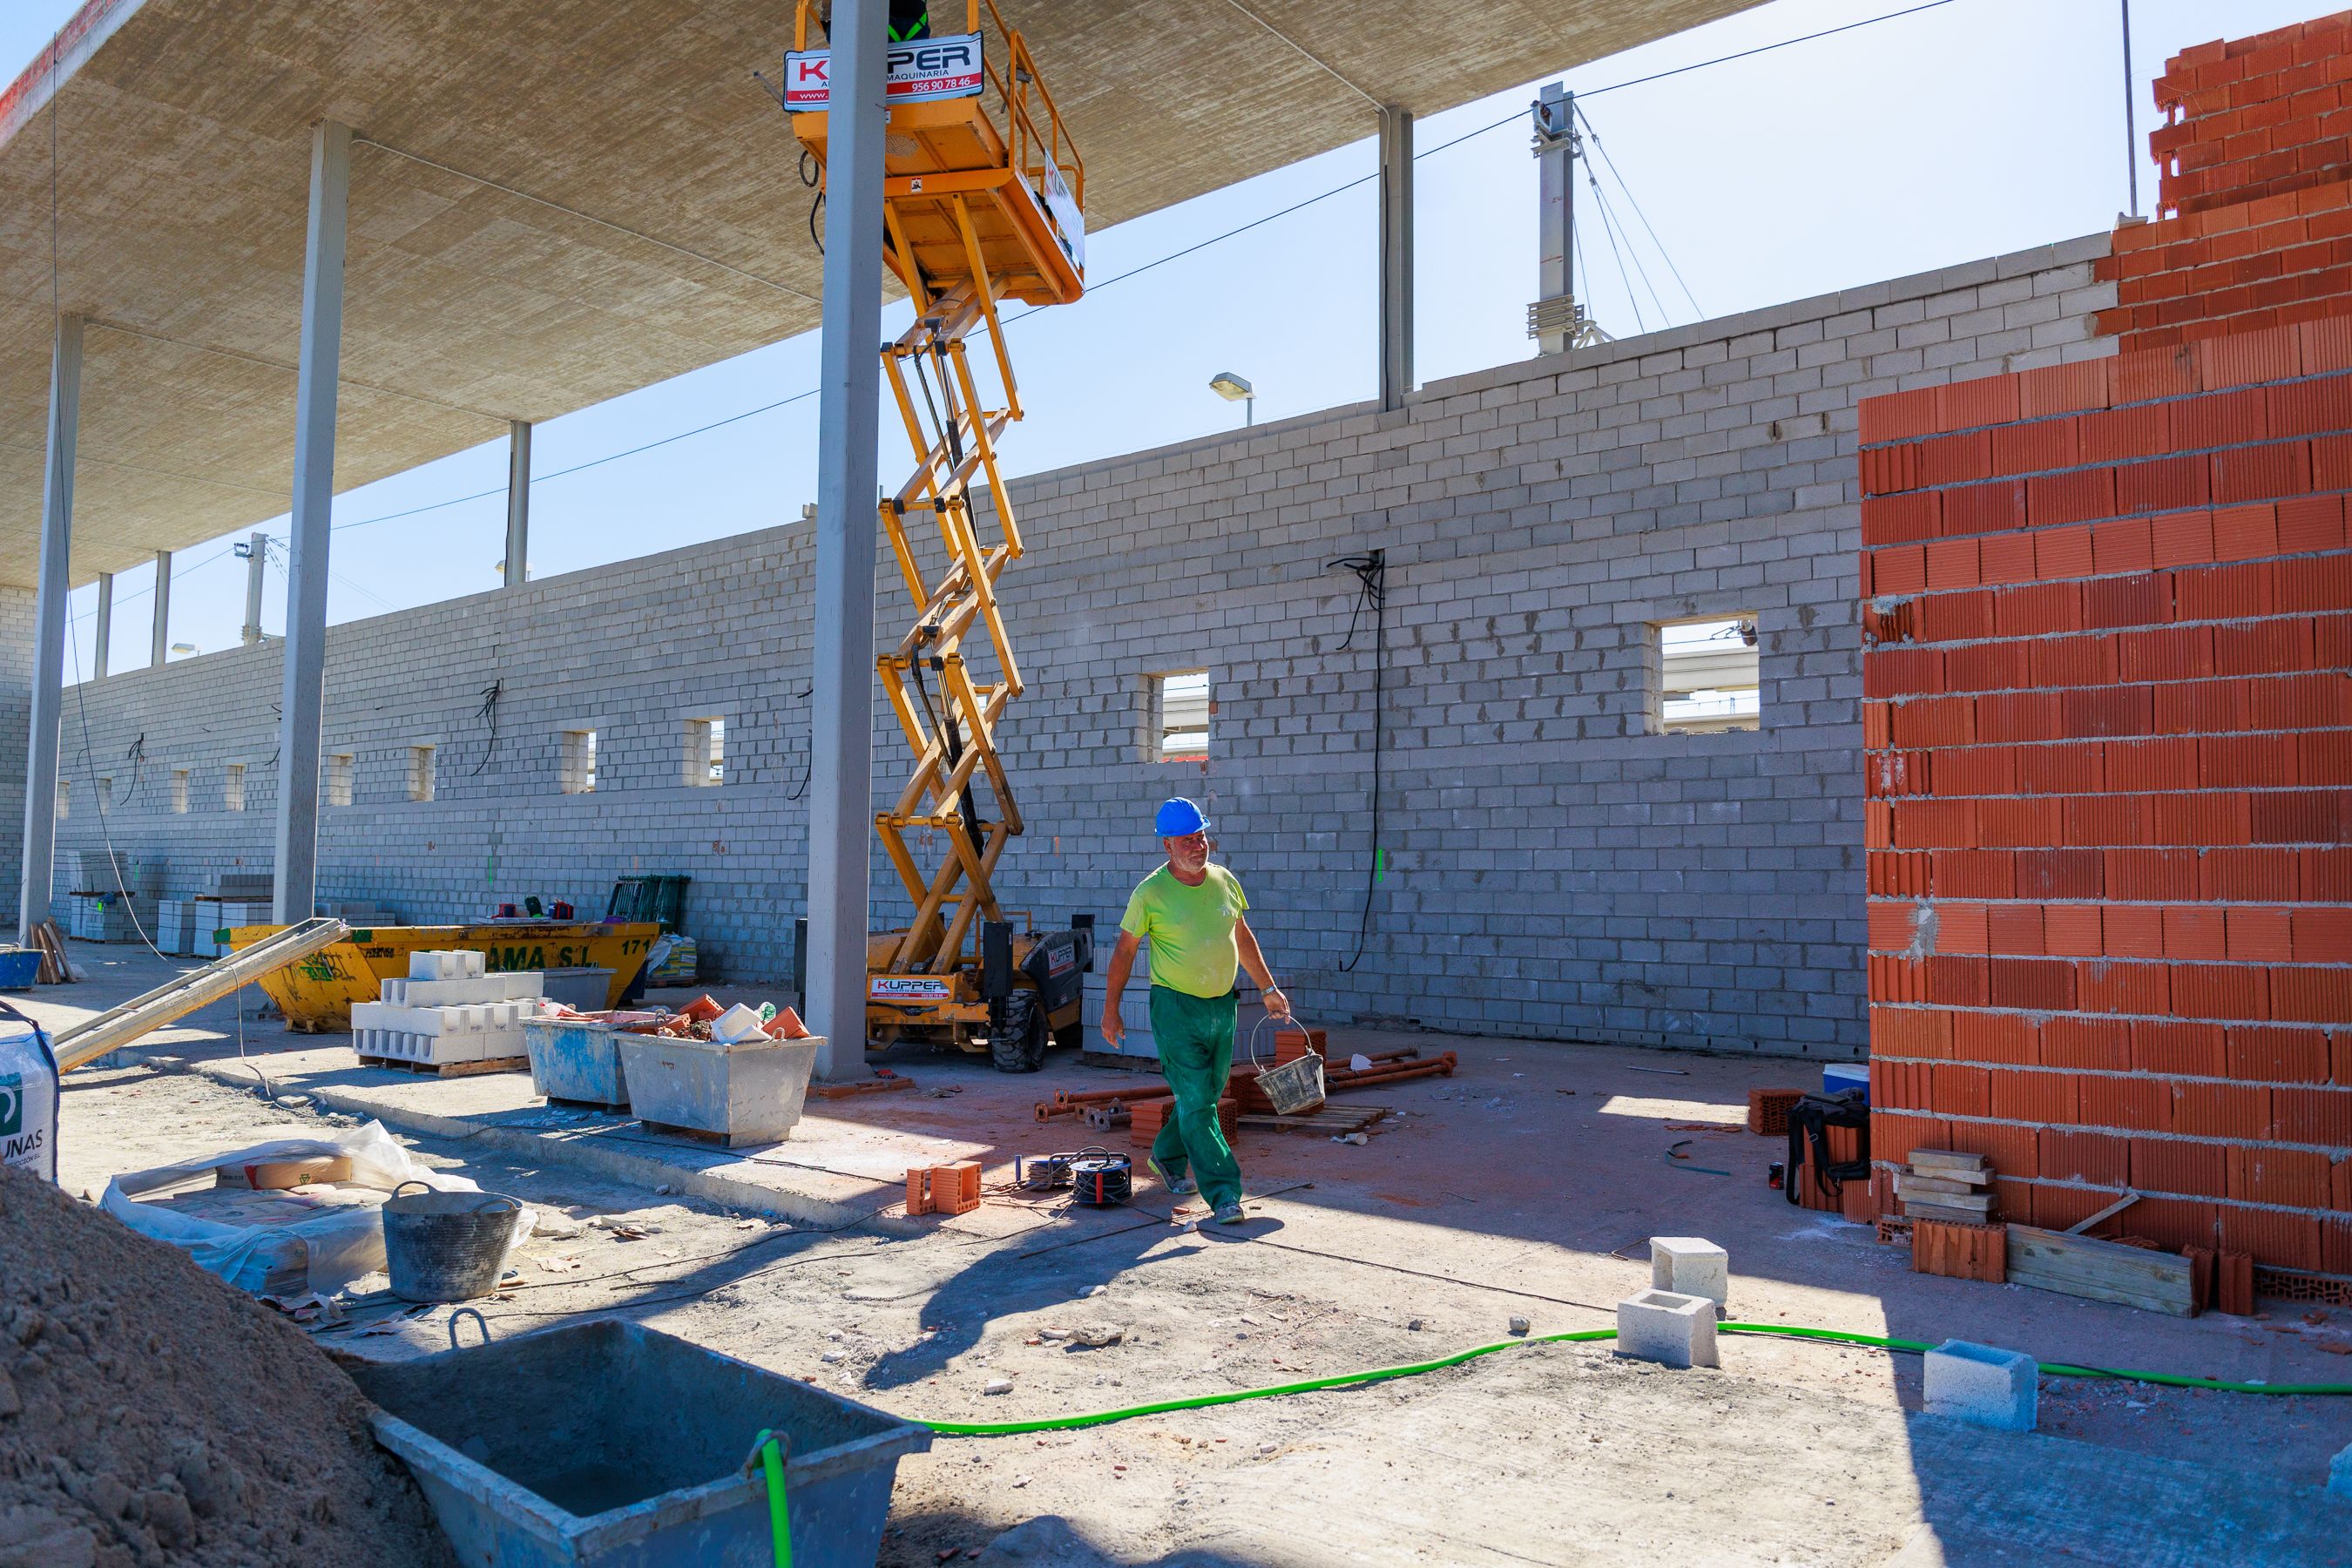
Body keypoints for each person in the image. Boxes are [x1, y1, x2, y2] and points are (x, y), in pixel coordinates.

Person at [1099, 798, 1289, 1226]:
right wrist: (1110, 1010)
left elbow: (1242, 937)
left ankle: (1166, 1155)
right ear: (1167, 845)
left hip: (1222, 1005)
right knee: (1200, 1104)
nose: (1198, 845)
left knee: (1202, 1095)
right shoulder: (1149, 893)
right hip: (1176, 1008)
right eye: (1187, 839)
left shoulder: (1224, 881)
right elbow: (1123, 953)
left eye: (1201, 836)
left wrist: (1268, 988)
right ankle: (1224, 1192)